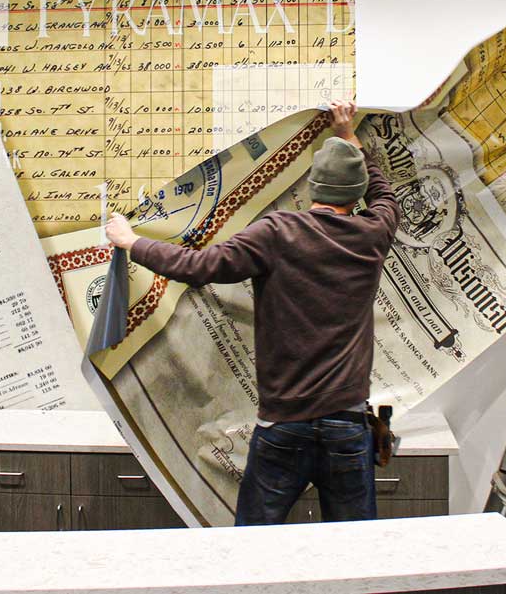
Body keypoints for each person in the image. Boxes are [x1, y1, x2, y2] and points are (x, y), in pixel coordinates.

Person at [104, 100, 401, 524]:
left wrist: (133, 242)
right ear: (354, 196)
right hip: (347, 426)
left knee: (251, 547)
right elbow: (383, 192)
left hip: (284, 427)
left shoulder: (276, 233)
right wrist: (347, 133)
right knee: (353, 553)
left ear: (314, 187)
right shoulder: (373, 233)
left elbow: (198, 267)